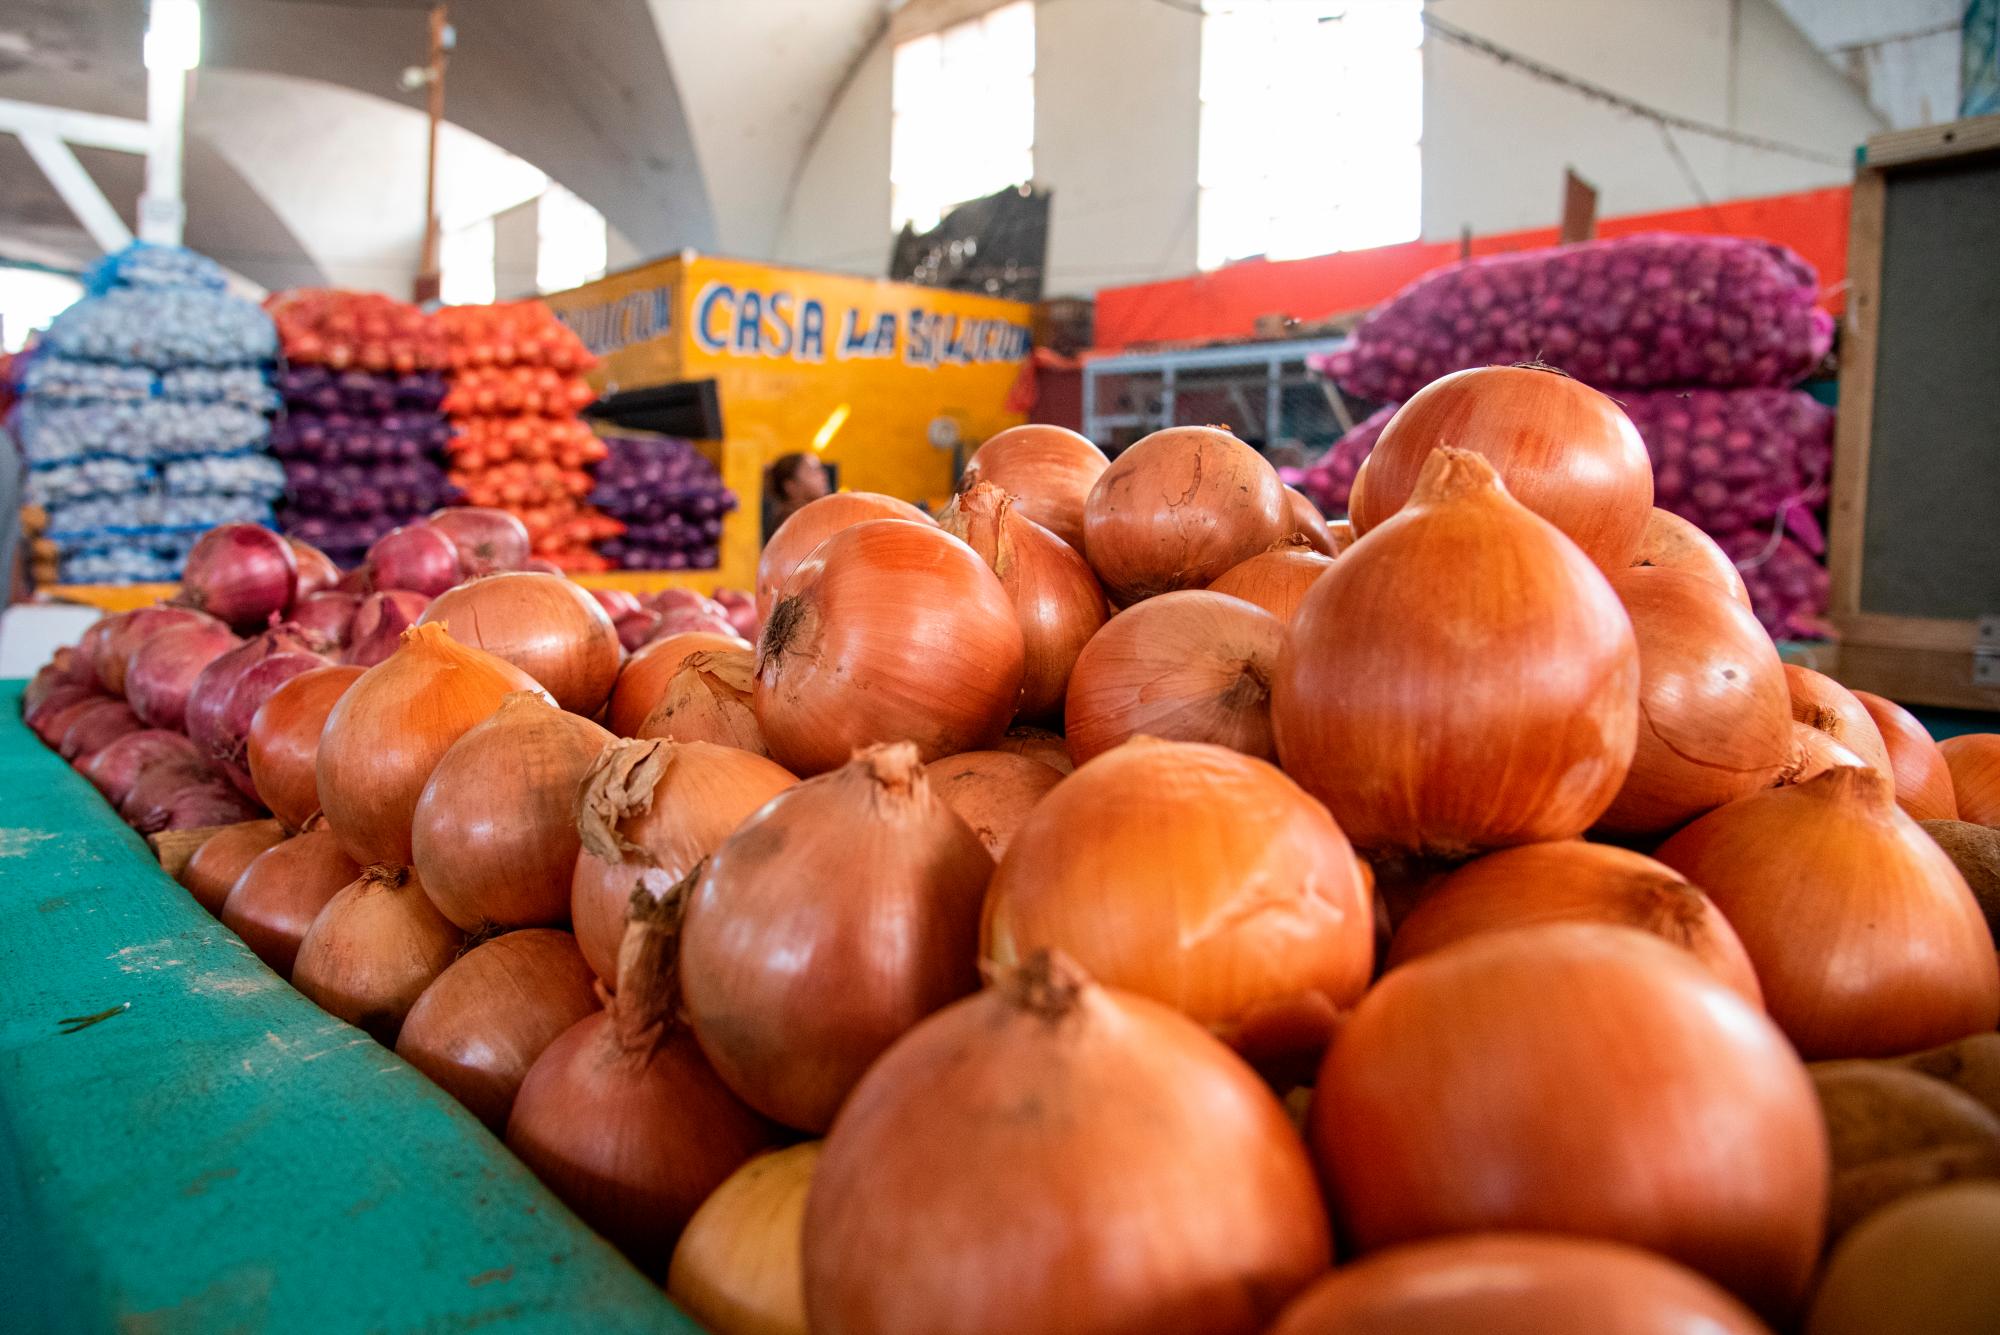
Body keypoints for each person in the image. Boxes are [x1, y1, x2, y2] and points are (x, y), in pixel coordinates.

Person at [763, 451, 831, 536]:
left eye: (821, 469)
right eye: (813, 471)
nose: (823, 476)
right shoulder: (793, 522)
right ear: (791, 486)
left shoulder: (811, 516)